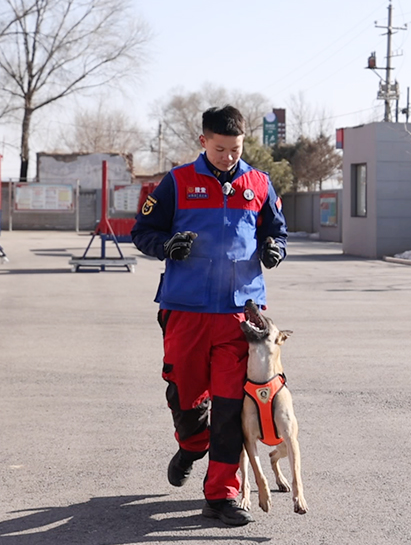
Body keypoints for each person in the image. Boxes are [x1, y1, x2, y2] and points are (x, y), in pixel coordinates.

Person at [131, 105, 287, 526]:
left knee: (232, 405)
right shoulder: (177, 182)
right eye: (220, 149)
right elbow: (142, 233)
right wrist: (167, 246)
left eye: (235, 149)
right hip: (186, 310)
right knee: (185, 394)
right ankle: (190, 444)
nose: (228, 157)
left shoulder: (258, 183)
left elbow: (276, 230)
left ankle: (222, 494)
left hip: (240, 315)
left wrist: (274, 248)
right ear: (203, 141)